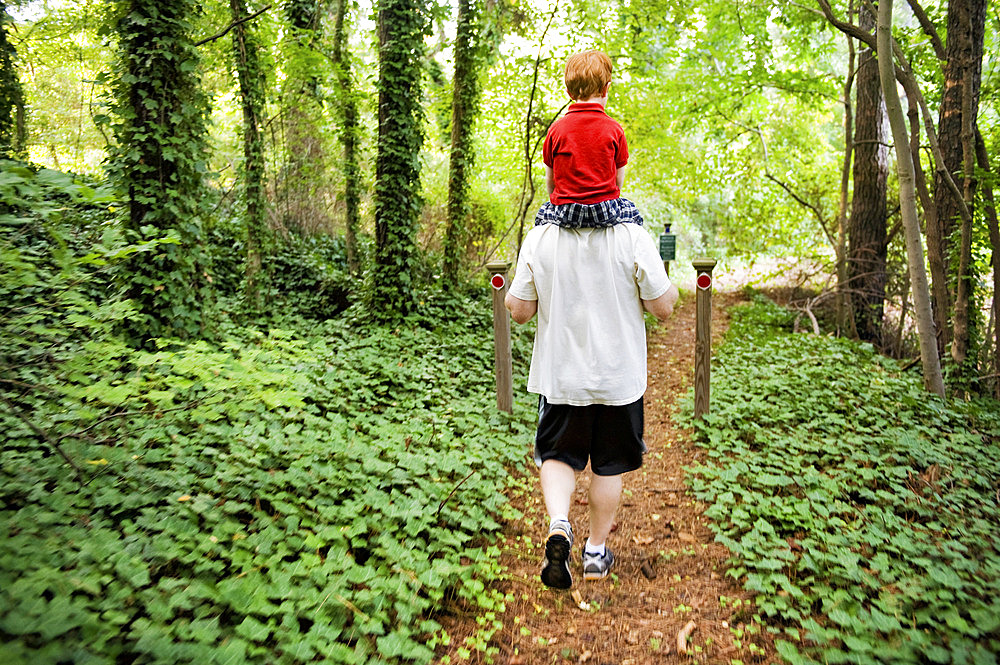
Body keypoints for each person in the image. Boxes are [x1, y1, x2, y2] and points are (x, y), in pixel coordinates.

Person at [505, 199, 679, 588]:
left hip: (561, 377)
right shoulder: (633, 235)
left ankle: (559, 525)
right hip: (618, 380)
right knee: (609, 465)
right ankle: (596, 553)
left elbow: (518, 310)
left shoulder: (540, 236)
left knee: (556, 455)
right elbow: (663, 307)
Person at [535, 49, 642, 229]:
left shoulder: (555, 130)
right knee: (633, 213)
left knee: (541, 217)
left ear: (569, 93)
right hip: (605, 211)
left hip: (566, 212)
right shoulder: (615, 130)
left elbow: (550, 182)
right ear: (606, 88)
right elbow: (618, 182)